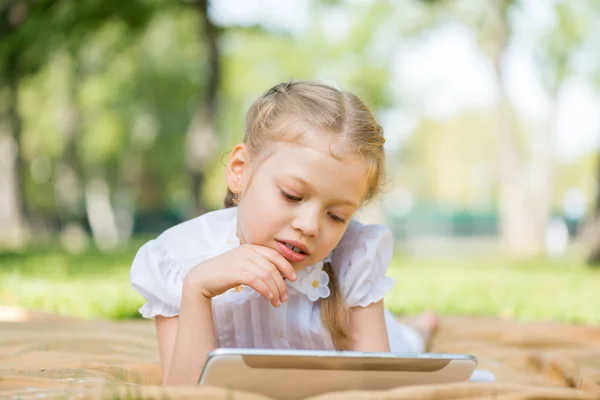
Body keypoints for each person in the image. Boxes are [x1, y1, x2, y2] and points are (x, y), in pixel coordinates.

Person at [130, 81, 439, 386]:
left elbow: (375, 386)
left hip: (386, 337)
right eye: (292, 196)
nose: (310, 226)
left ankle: (418, 329)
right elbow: (185, 392)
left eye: (337, 216)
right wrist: (196, 290)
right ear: (240, 170)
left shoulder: (353, 257)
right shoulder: (180, 259)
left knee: (407, 346)